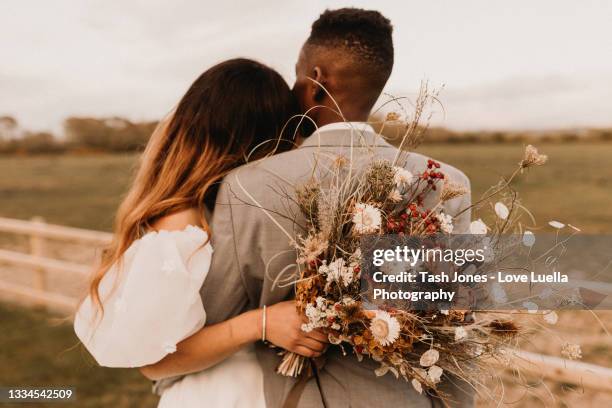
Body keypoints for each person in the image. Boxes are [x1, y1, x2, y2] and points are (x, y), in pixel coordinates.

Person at [195, 8, 475, 408]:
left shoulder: (246, 185)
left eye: (297, 75)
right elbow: (457, 324)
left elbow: (214, 319)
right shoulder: (449, 184)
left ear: (316, 80)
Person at [74, 58, 329, 408]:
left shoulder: (232, 210)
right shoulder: (184, 224)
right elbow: (154, 363)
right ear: (259, 140)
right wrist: (261, 323)